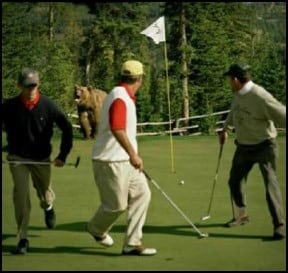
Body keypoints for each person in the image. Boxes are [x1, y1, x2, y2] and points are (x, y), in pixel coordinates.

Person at [87, 60, 156, 256]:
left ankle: (132, 243)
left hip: (124, 161)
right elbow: (117, 128)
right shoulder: (120, 97)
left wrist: (131, 156)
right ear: (140, 79)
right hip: (109, 161)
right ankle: (96, 229)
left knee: (142, 193)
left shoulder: (124, 95)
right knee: (116, 206)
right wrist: (133, 154)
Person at [2, 68, 73, 254]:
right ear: (19, 86)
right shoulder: (9, 106)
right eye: (27, 86)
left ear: (38, 85)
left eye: (34, 85)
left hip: (41, 158)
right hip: (17, 157)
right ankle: (22, 238)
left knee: (45, 194)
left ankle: (48, 206)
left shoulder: (49, 106)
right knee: (21, 195)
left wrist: (62, 156)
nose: (31, 89)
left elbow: (67, 129)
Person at [219, 63, 286, 240]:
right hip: (243, 147)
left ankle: (279, 225)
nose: (228, 82)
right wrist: (225, 129)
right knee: (234, 181)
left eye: (229, 79)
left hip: (265, 146)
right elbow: (234, 112)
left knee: (270, 183)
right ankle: (241, 215)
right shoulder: (238, 94)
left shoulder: (260, 95)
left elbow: (282, 113)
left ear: (235, 80)